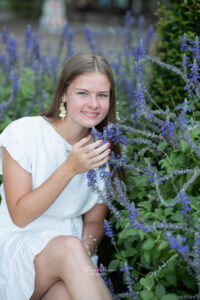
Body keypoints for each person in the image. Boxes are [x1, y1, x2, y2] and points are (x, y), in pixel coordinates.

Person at [0, 53, 117, 300]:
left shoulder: (102, 152)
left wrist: (86, 246)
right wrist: (69, 168)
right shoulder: (25, 134)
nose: (94, 104)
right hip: (19, 251)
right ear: (64, 94)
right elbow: (20, 216)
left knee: (65, 294)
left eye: (102, 95)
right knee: (69, 247)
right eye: (83, 93)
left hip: (73, 258)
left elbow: (95, 222)